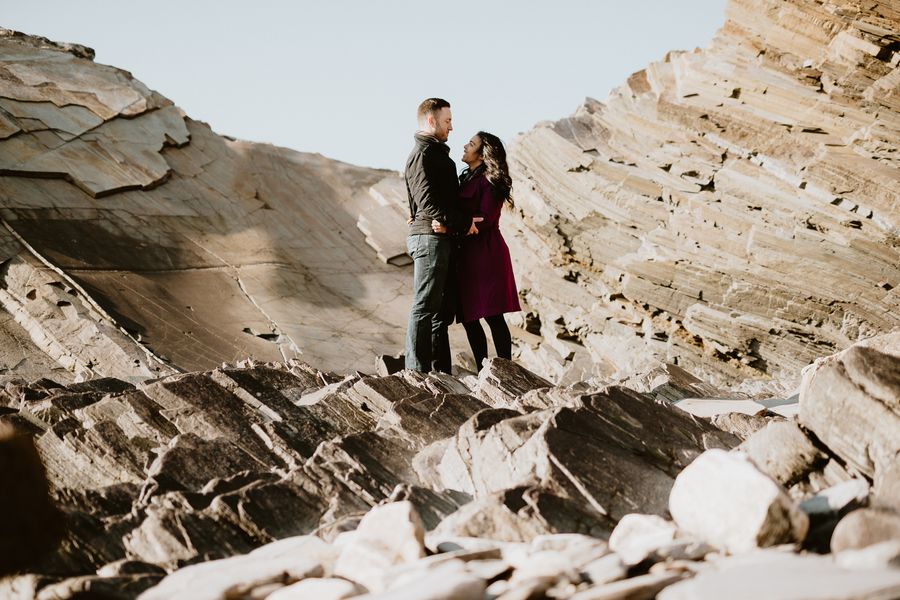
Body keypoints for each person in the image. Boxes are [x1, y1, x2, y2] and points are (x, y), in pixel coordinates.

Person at [432, 131, 521, 370]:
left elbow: (487, 218)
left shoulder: (489, 180)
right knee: (469, 317)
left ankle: (506, 370)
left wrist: (450, 227)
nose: (465, 146)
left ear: (482, 154)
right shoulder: (466, 178)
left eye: (471, 144)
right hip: (465, 255)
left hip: (487, 254)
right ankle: (484, 370)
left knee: (493, 314)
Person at [404, 98, 480, 373]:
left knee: (441, 313)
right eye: (447, 121)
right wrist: (464, 222)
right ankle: (416, 372)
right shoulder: (423, 155)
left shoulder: (434, 154)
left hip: (438, 237)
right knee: (424, 306)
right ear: (431, 121)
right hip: (429, 238)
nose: (452, 126)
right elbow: (428, 204)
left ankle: (440, 374)